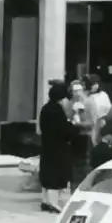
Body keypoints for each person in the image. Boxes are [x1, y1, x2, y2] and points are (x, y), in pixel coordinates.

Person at [39, 81, 73, 213]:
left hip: (47, 144)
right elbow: (64, 130)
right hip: (58, 146)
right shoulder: (58, 111)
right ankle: (53, 202)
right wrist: (73, 126)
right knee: (56, 173)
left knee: (47, 172)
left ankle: (45, 200)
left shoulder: (45, 108)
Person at [82, 74, 111, 146]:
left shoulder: (102, 95)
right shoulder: (86, 96)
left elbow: (106, 113)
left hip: (98, 129)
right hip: (91, 129)